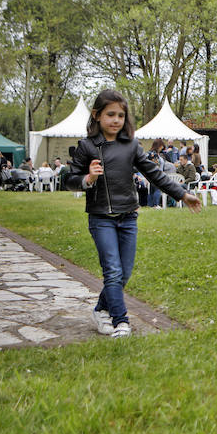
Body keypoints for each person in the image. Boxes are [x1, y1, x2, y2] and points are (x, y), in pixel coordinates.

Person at [66, 89, 202, 338]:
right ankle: (121, 321)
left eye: (121, 115)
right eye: (110, 114)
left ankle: (101, 310)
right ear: (97, 115)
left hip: (128, 217)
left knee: (124, 273)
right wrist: (88, 178)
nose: (116, 120)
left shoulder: (131, 146)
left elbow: (155, 174)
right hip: (101, 218)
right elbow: (70, 179)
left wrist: (182, 194)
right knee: (113, 271)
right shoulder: (86, 147)